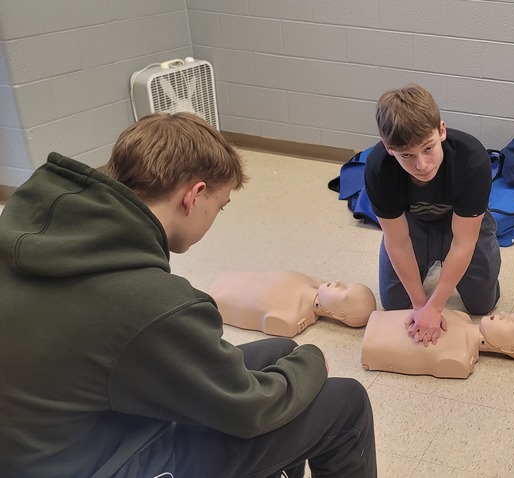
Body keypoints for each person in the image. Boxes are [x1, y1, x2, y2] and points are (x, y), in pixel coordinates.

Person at [0, 112, 376, 478]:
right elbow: (249, 410)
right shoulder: (149, 302)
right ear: (194, 195)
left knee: (279, 352)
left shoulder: (34, 238)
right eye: (220, 205)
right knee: (345, 402)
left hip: (56, 442)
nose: (216, 216)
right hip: (103, 462)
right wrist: (314, 359)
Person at [364, 84, 500, 347]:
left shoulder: (472, 160)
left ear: (441, 130)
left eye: (428, 148)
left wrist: (435, 306)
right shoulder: (378, 168)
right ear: (388, 148)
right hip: (413, 226)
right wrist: (420, 305)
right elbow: (397, 241)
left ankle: (448, 267)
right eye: (406, 155)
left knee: (482, 305)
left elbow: (464, 242)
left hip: (462, 224)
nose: (421, 165)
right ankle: (431, 263)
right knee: (395, 306)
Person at [361, 309, 514, 379]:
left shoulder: (459, 360)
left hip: (375, 345)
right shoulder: (463, 317)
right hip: (385, 323)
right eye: (512, 314)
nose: (503, 314)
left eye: (510, 323)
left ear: (509, 349)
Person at [210, 270, 377, 337]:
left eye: (343, 293)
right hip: (234, 278)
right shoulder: (315, 282)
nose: (339, 283)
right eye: (347, 284)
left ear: (338, 315)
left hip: (219, 298)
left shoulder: (290, 319)